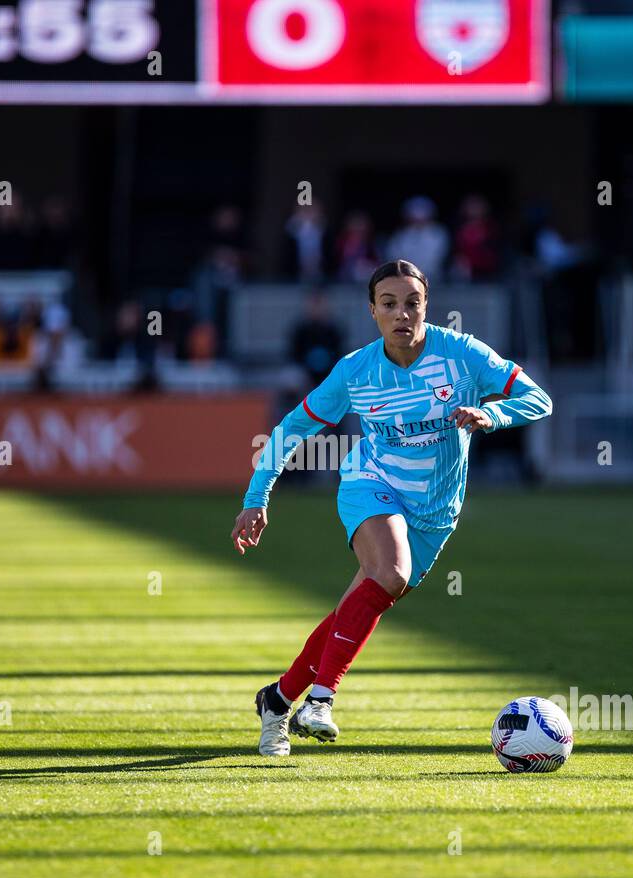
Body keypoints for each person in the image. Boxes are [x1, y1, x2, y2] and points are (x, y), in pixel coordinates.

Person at [232, 260, 552, 756]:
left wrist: (492, 412)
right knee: (392, 571)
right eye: (389, 304)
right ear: (373, 311)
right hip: (371, 483)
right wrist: (257, 497)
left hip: (435, 512)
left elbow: (538, 399)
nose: (402, 313)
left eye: (412, 302)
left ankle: (277, 700)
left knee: (361, 601)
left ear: (427, 306)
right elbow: (293, 428)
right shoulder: (355, 371)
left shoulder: (463, 354)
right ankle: (320, 701)